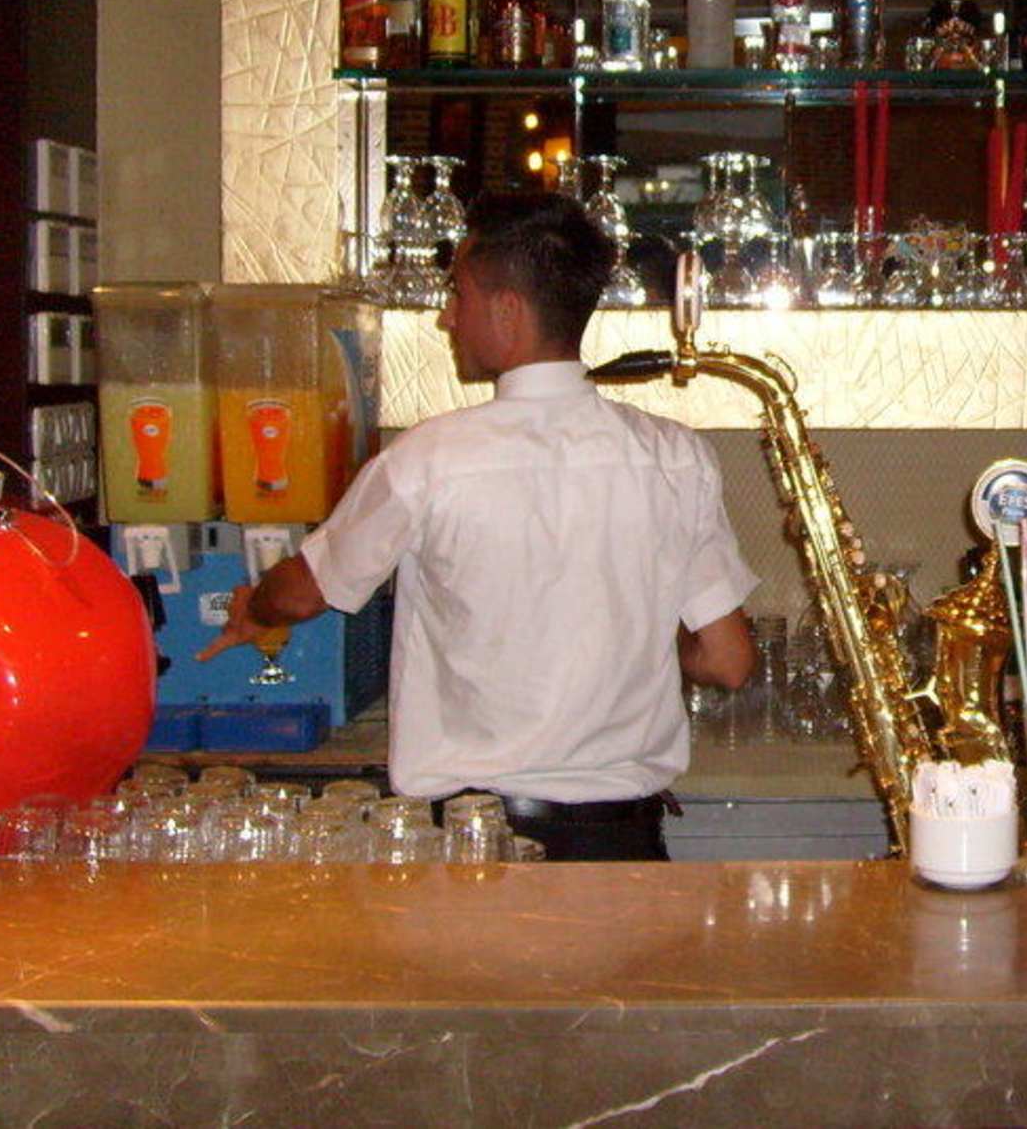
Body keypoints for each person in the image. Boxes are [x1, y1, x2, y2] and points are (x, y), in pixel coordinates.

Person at [200, 193, 757, 859]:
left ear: (508, 310)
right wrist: (627, 637)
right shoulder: (675, 455)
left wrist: (254, 609)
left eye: (457, 294)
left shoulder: (428, 459)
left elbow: (299, 595)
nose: (446, 317)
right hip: (622, 848)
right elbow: (727, 661)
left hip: (479, 850)